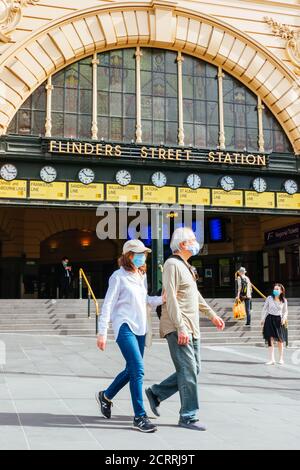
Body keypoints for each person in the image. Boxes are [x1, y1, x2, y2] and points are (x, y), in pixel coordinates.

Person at [145, 227, 225, 432]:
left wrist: (212, 315)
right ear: (182, 245)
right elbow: (170, 297)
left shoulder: (186, 266)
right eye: (192, 240)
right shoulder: (172, 264)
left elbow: (194, 296)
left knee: (194, 368)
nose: (195, 243)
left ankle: (156, 393)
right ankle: (189, 416)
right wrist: (180, 327)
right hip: (178, 326)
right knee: (188, 370)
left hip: (192, 327)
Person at [95, 240, 164, 433]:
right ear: (128, 256)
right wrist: (102, 332)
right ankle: (139, 417)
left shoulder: (141, 276)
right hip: (124, 327)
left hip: (141, 328)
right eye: (139, 253)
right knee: (138, 369)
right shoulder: (118, 276)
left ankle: (106, 396)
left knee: (131, 370)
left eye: (144, 253)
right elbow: (108, 304)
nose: (143, 256)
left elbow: (145, 301)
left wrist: (161, 299)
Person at [261, 283, 288, 365]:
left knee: (280, 340)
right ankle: (271, 359)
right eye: (274, 289)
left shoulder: (284, 300)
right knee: (270, 339)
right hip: (269, 319)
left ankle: (281, 358)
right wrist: (262, 319)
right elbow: (264, 308)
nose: (275, 290)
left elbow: (285, 311)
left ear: (281, 291)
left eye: (277, 289)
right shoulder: (269, 298)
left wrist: (284, 318)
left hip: (279, 320)